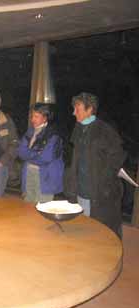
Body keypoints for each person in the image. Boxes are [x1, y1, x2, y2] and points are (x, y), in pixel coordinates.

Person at [64, 92, 125, 238]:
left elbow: (118, 158)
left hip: (99, 194)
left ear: (89, 109)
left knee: (102, 231)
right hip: (81, 191)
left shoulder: (105, 130)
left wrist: (104, 182)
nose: (74, 113)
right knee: (83, 227)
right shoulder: (78, 128)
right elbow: (74, 160)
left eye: (77, 109)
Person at [17, 104, 64, 203]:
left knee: (42, 208)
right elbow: (20, 152)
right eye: (32, 116)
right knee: (27, 207)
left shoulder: (53, 135)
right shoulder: (30, 131)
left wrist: (28, 154)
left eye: (36, 116)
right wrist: (35, 153)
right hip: (28, 173)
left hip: (45, 177)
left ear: (45, 118)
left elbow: (45, 158)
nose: (32, 119)